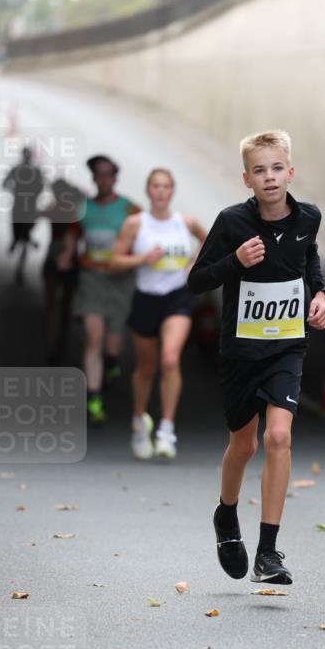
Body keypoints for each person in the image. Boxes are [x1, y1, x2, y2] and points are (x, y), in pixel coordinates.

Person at [188, 130, 325, 585]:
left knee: (278, 438)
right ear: (246, 179)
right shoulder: (232, 222)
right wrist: (236, 261)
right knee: (243, 445)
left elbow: (308, 259)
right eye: (259, 171)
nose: (269, 178)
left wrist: (321, 294)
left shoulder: (309, 216)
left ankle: (268, 552)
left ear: (290, 172)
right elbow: (197, 280)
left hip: (287, 346)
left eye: (276, 168)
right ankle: (226, 516)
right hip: (241, 351)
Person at [111, 168, 207, 459]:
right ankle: (140, 422)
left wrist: (195, 263)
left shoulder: (185, 223)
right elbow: (114, 261)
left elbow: (212, 241)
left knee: (170, 359)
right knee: (146, 368)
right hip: (146, 299)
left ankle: (166, 429)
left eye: (166, 186)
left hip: (177, 298)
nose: (161, 191)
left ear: (172, 190)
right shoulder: (135, 224)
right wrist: (142, 258)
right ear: (148, 191)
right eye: (156, 186)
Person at [62, 155, 140, 423]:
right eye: (99, 174)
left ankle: (112, 364)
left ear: (115, 178)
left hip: (120, 280)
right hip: (91, 279)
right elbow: (73, 236)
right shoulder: (82, 209)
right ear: (93, 178)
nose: (104, 179)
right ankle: (93, 398)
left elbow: (144, 237)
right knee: (93, 337)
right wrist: (66, 256)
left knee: (113, 344)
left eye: (109, 174)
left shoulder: (130, 209)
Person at [40, 177, 85, 365]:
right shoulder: (78, 213)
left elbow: (35, 215)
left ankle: (52, 343)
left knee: (51, 305)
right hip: (73, 261)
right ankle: (60, 342)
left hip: (53, 256)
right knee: (66, 306)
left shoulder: (54, 207)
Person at [2, 146, 44, 285]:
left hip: (28, 208)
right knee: (19, 234)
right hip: (22, 207)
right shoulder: (19, 169)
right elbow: (5, 184)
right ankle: (23, 240)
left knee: (23, 237)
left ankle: (20, 267)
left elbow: (41, 187)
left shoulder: (31, 170)